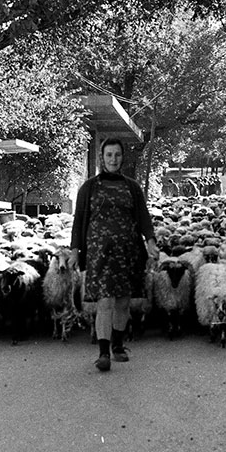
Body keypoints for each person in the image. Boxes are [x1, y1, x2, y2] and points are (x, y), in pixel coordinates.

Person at [71, 138, 158, 372]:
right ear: (102, 157)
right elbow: (79, 221)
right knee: (105, 301)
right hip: (99, 254)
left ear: (122, 157)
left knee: (122, 301)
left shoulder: (132, 187)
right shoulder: (89, 187)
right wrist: (74, 250)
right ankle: (103, 353)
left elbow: (143, 217)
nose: (113, 159)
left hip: (128, 252)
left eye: (117, 155)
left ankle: (118, 345)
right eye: (109, 155)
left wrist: (150, 241)